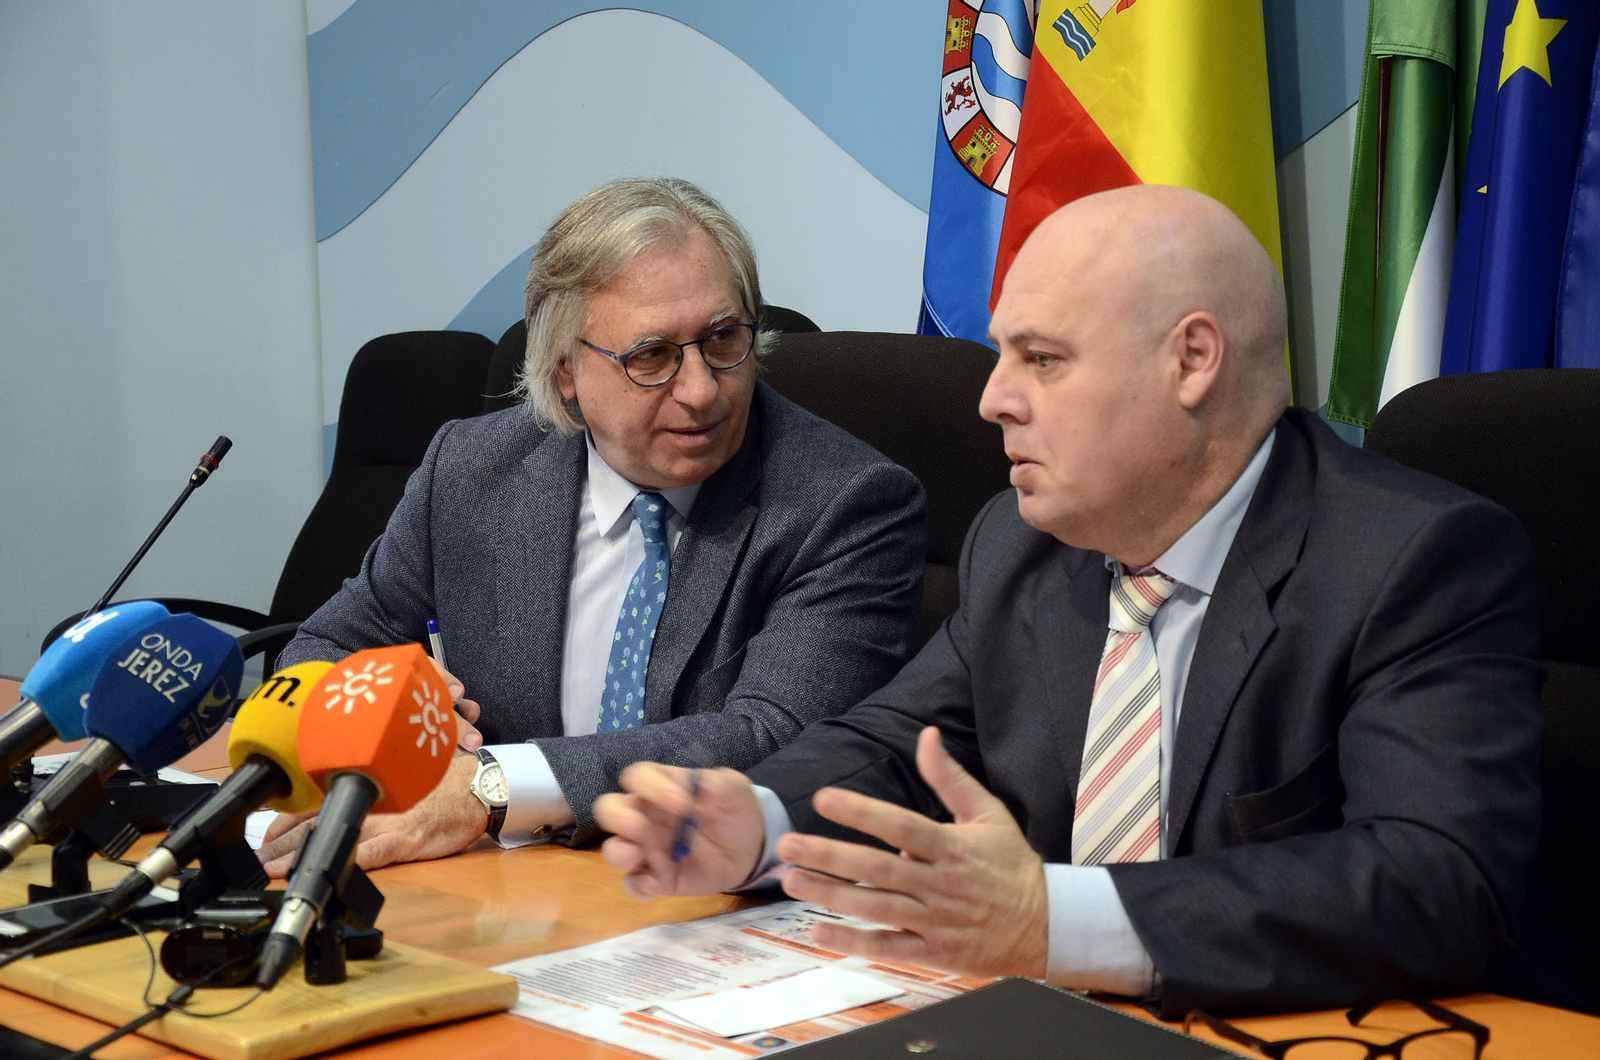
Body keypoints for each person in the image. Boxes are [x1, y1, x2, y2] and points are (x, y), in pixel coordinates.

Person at [595, 185, 1544, 1016]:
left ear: (1193, 360)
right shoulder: (1023, 543)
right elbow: (898, 745)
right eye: (1001, 356)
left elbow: (1441, 881)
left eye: (1041, 360)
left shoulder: (1412, 561)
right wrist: (756, 821)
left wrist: (1058, 921)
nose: (993, 401)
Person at [263, 177, 926, 874]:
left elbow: (775, 739)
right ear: (566, 371)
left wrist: (489, 785)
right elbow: (323, 648)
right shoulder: (470, 470)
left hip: (711, 902)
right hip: (497, 888)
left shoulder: (846, 503)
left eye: (724, 339)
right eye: (651, 356)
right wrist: (382, 725)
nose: (702, 390)